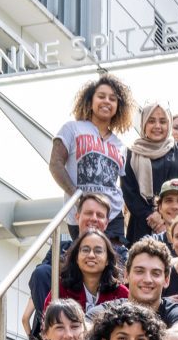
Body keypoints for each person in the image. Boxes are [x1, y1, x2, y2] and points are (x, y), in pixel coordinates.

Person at [50, 73, 134, 242]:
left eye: (112, 99)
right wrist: (77, 196)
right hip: (81, 213)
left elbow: (122, 184)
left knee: (113, 263)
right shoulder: (72, 129)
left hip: (112, 215)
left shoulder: (120, 145)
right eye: (101, 96)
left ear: (119, 106)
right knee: (87, 259)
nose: (106, 101)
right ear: (90, 101)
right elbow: (55, 164)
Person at [26, 192, 123, 336]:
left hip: (102, 330)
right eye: (89, 213)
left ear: (107, 222)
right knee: (43, 272)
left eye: (100, 215)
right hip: (64, 314)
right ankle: (50, 331)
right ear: (77, 217)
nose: (94, 219)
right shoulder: (61, 247)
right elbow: (39, 281)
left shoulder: (120, 253)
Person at [121, 101, 178, 243]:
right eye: (151, 121)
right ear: (144, 124)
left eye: (163, 121)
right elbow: (129, 193)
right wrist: (154, 218)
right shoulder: (131, 153)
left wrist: (167, 220)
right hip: (141, 225)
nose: (157, 126)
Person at [116, 238, 178, 340]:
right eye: (139, 271)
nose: (147, 279)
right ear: (126, 275)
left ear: (166, 280)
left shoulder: (177, 312)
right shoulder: (108, 310)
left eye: (155, 273)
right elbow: (86, 334)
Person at [42, 229, 128, 314]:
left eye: (98, 251)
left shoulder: (121, 293)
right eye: (85, 250)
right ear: (76, 258)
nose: (91, 255)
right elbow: (48, 323)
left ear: (107, 260)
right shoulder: (61, 289)